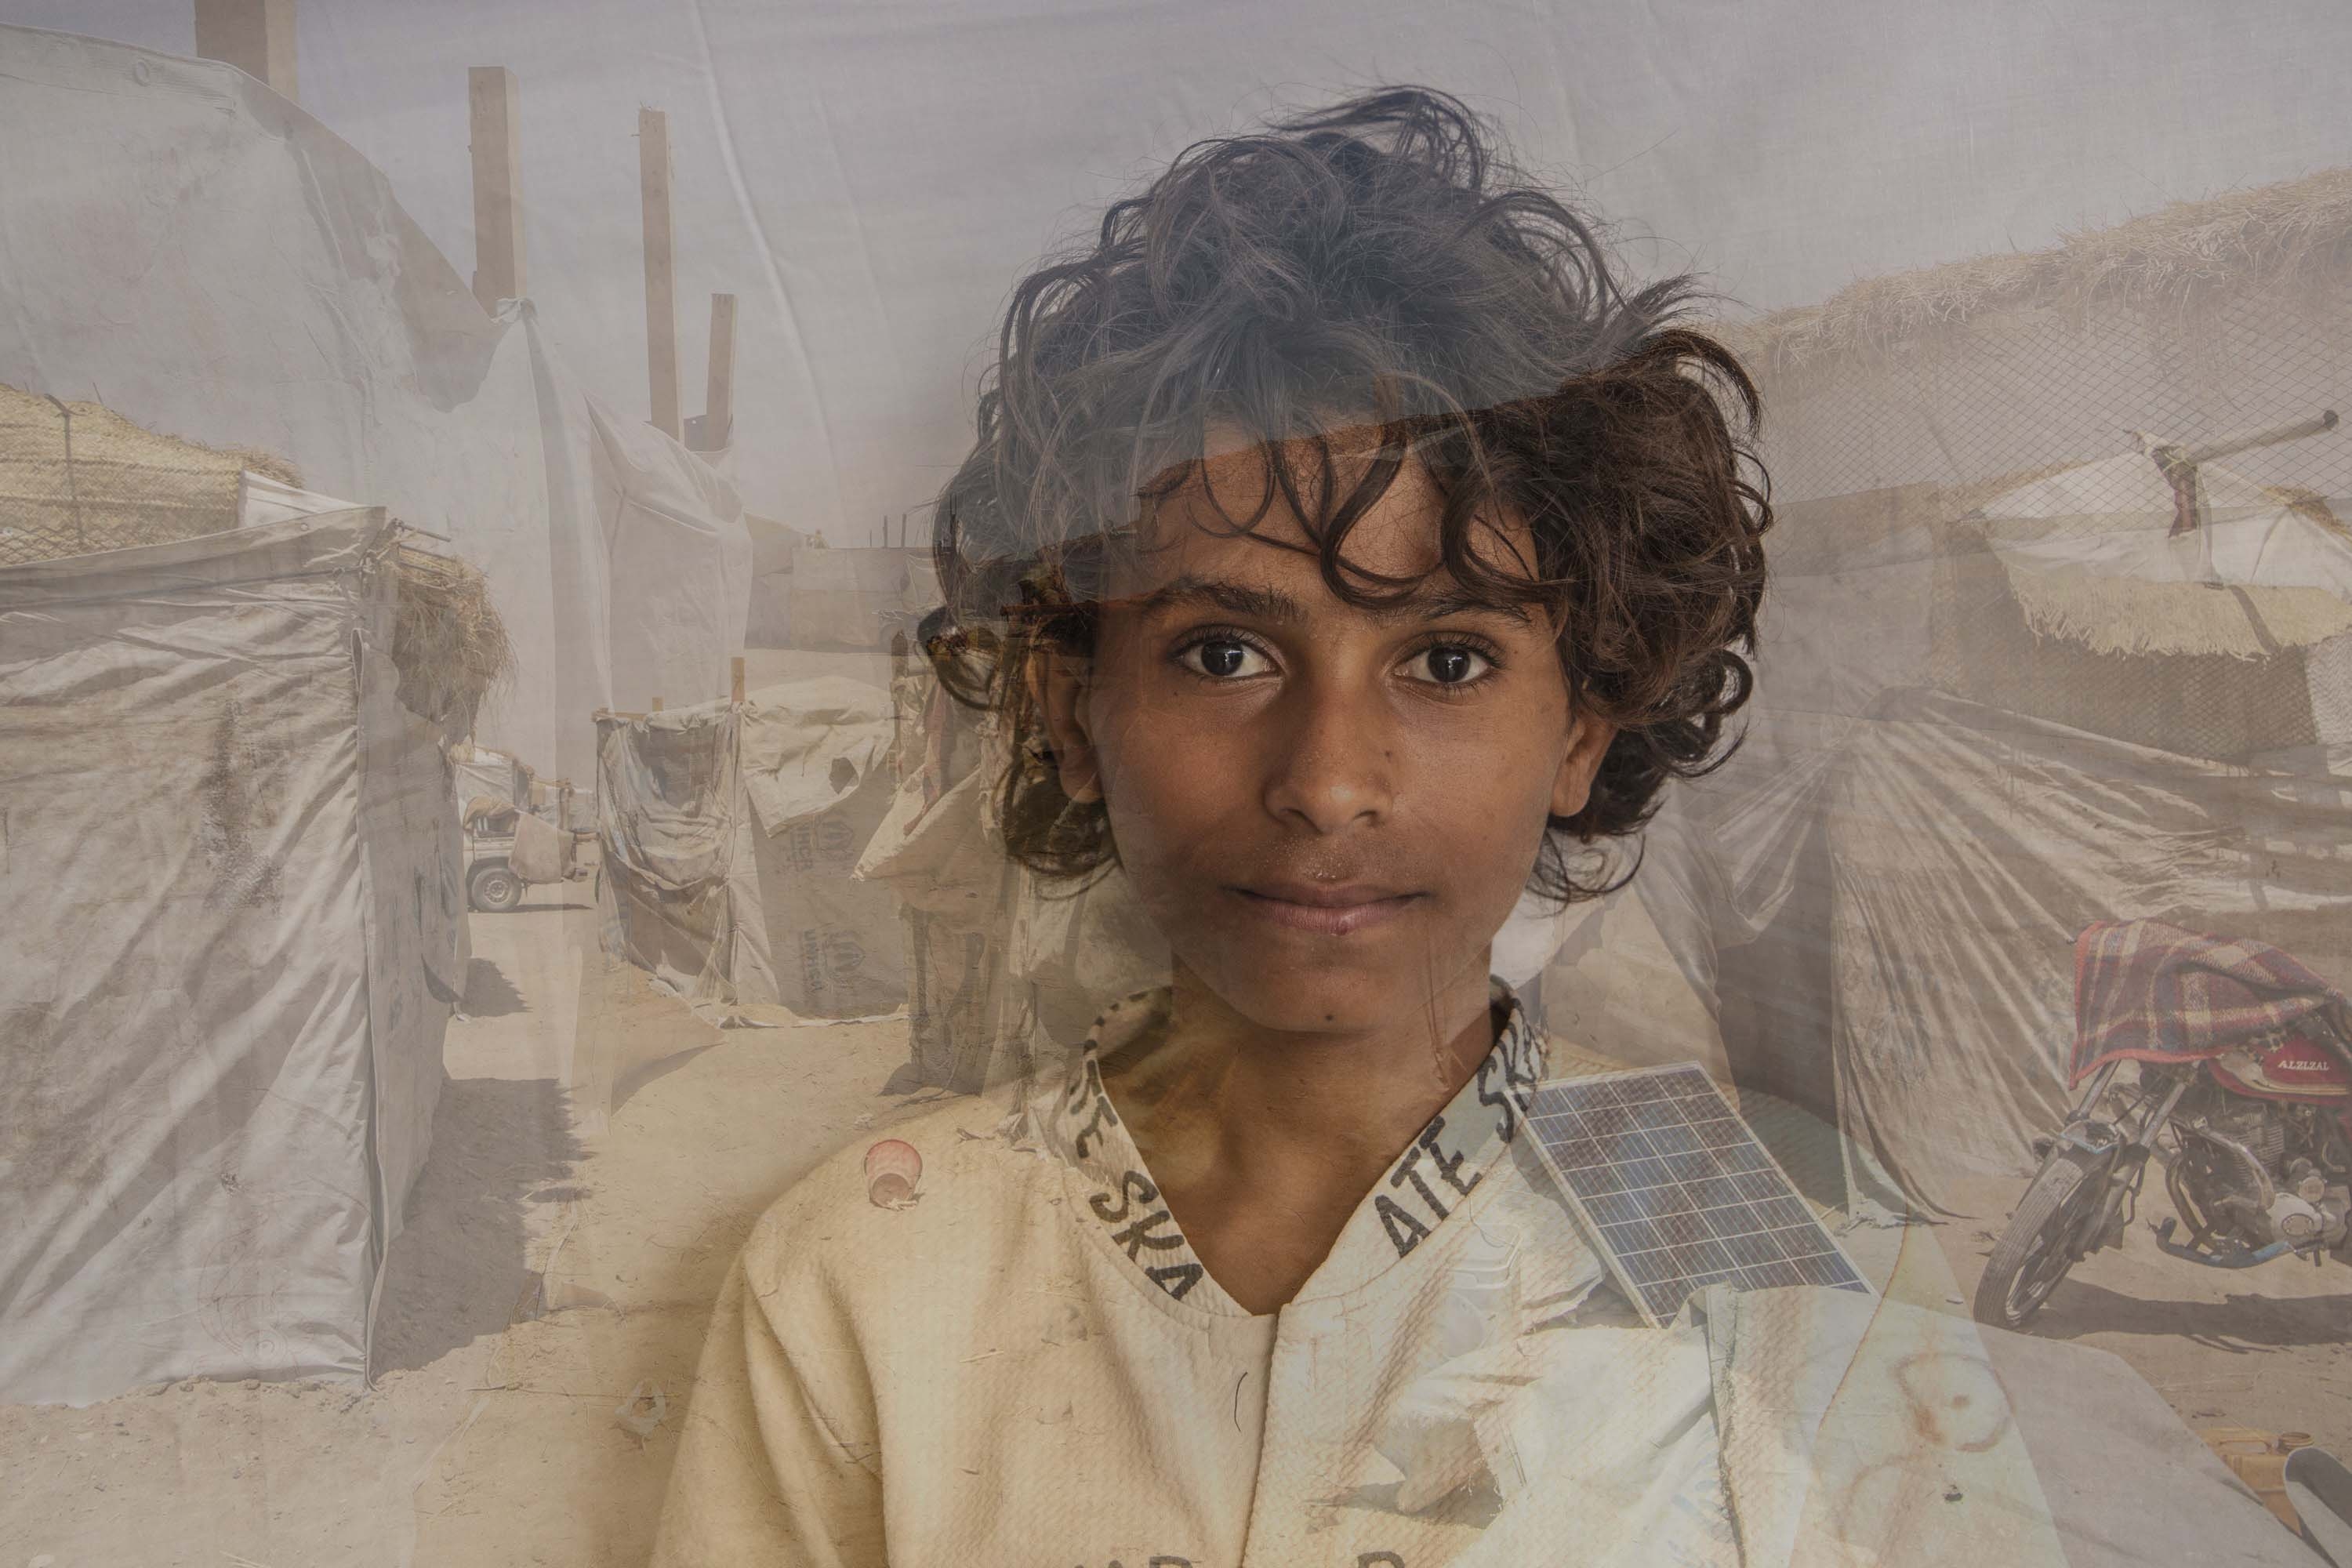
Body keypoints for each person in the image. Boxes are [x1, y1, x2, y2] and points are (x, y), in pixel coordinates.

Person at [652, 89, 2313, 1568]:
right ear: (1074, 705)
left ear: (1586, 721)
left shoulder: (1769, 1233)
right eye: (1222, 651)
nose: (1329, 776)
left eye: (1447, 659)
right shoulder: (880, 1269)